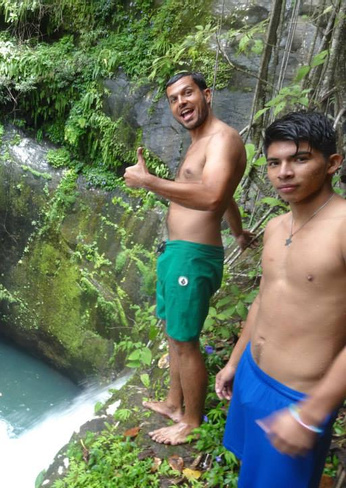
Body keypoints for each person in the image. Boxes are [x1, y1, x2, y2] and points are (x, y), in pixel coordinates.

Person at [215, 111, 346, 487]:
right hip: (252, 374)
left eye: (300, 159)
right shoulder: (275, 227)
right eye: (274, 163)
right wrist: (234, 362)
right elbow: (265, 299)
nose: (284, 172)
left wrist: (312, 413)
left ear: (332, 163)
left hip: (297, 398)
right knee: (250, 473)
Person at [123, 71, 253, 445]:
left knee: (186, 339)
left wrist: (149, 182)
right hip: (178, 252)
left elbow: (212, 196)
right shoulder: (199, 143)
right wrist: (239, 232)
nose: (181, 103)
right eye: (174, 99)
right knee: (173, 332)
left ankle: (191, 420)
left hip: (193, 257)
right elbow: (225, 197)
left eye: (187, 93)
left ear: (206, 94)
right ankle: (172, 402)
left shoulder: (223, 139)